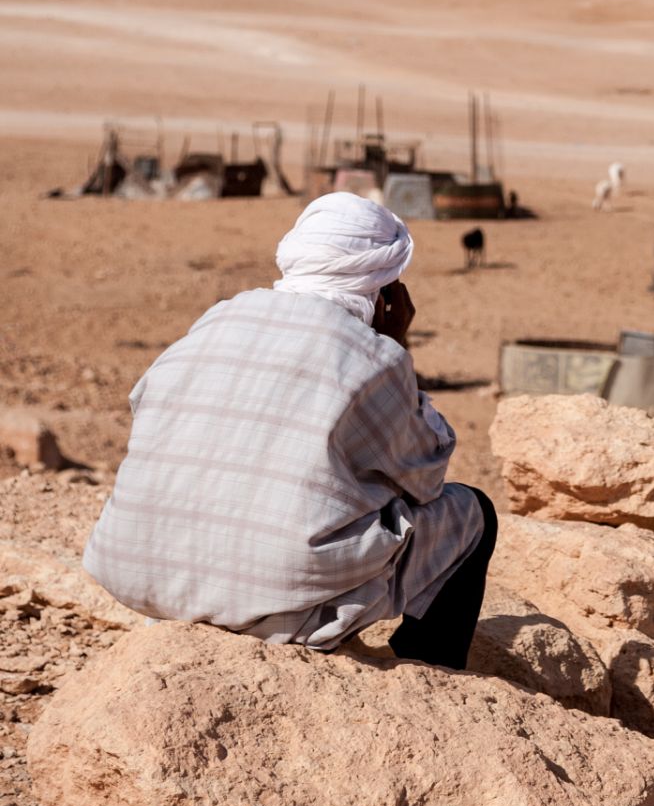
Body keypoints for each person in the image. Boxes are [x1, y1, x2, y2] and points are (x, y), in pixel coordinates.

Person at [83, 192, 493, 669]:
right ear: (387, 288)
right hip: (279, 607)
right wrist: (396, 344)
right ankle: (429, 671)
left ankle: (199, 598)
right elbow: (426, 477)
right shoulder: (375, 357)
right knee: (474, 512)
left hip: (142, 577)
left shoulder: (217, 318)